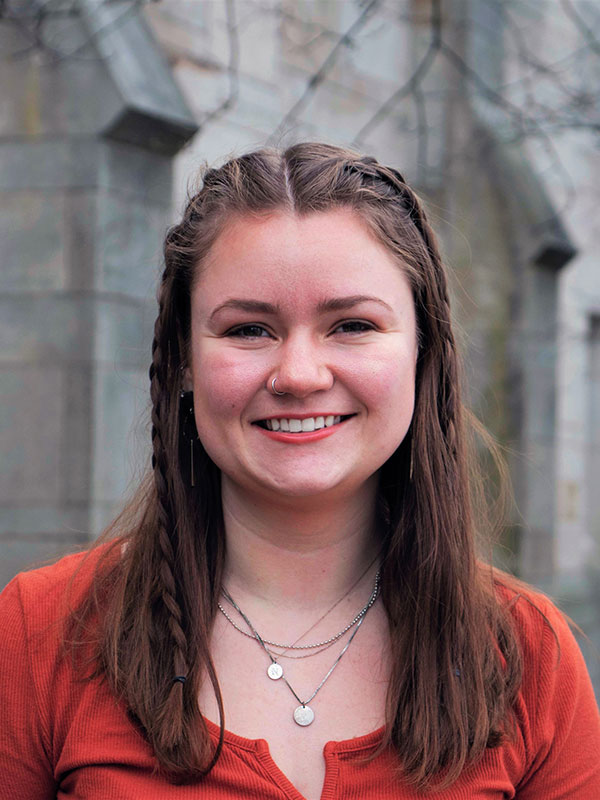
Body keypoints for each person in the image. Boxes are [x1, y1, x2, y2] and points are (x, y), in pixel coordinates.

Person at [1, 143, 599, 800]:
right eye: (248, 330)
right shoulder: (40, 631)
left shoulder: (529, 656)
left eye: (352, 324)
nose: (299, 375)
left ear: (422, 351)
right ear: (184, 361)